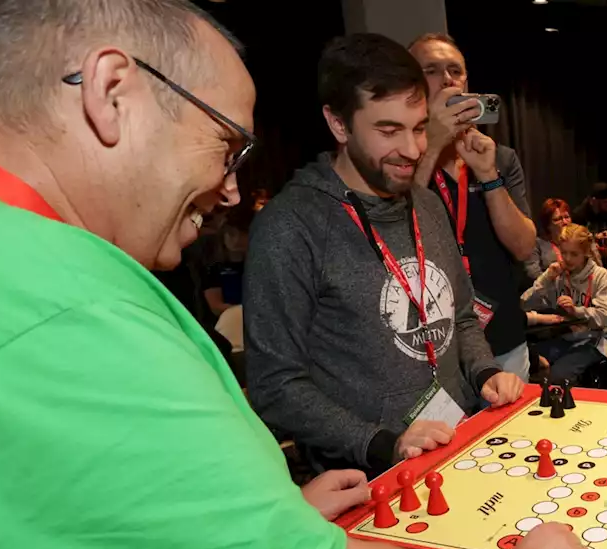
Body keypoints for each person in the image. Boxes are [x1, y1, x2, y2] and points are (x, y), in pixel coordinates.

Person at [0, 5, 599, 549]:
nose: (230, 189)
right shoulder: (51, 312)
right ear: (111, 93)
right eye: (226, 146)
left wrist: (271, 512)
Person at [244, 34, 525, 477]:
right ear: (339, 124)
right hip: (373, 475)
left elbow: (463, 318)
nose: (413, 150)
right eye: (389, 131)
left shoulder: (426, 205)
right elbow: (276, 385)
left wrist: (484, 373)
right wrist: (380, 442)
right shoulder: (290, 227)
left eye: (418, 127)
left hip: (461, 447)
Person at [409, 32, 537, 382]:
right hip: (430, 346)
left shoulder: (498, 157)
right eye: (431, 70)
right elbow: (401, 227)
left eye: (455, 70)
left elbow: (524, 246)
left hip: (503, 340)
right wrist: (431, 146)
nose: (448, 79)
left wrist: (488, 175)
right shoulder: (400, 159)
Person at [522, 225, 607, 384]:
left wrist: (576, 311)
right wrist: (546, 279)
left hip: (594, 341)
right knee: (527, 360)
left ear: (586, 252)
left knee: (557, 376)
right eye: (564, 252)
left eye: (574, 254)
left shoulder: (600, 275)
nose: (567, 259)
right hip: (565, 337)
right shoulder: (557, 274)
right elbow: (524, 304)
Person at [571, 181, 607, 257]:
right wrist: (595, 238)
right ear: (593, 201)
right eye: (606, 201)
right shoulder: (579, 216)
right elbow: (575, 240)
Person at [525, 197, 570, 280]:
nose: (565, 222)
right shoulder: (537, 244)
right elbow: (533, 273)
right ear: (548, 225)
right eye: (558, 219)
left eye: (567, 217)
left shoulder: (579, 239)